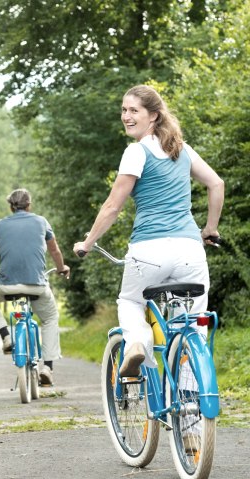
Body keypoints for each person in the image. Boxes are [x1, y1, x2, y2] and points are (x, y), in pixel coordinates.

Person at [73, 84, 224, 380]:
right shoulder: (181, 149)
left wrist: (88, 243)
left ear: (153, 116)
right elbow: (216, 184)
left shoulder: (136, 152)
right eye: (124, 110)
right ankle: (192, 410)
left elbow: (112, 207)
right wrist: (210, 229)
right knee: (192, 327)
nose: (126, 116)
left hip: (149, 250)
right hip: (190, 251)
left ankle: (137, 344)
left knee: (130, 302)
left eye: (134, 111)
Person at [0, 188, 70, 386]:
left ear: (11, 206)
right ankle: (48, 367)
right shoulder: (41, 222)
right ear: (29, 204)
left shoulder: (0, 225)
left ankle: (6, 337)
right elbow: (55, 251)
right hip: (36, 286)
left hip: (5, 285)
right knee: (50, 318)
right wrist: (62, 268)